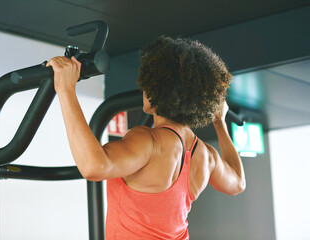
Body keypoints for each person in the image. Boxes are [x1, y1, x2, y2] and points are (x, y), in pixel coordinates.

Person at [46, 36, 246, 240]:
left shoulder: (149, 141)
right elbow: (237, 183)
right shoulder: (207, 156)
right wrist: (220, 122)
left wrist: (66, 89)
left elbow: (93, 166)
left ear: (156, 90)